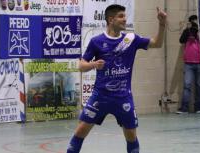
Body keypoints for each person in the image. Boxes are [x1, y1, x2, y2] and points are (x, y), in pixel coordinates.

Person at [66, 4, 167, 153]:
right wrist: (93, 64)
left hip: (123, 97)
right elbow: (81, 66)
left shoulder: (131, 39)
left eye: (125, 16)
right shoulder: (97, 41)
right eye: (121, 16)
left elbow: (157, 44)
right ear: (111, 19)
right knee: (81, 130)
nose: (125, 20)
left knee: (131, 135)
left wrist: (162, 23)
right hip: (100, 96)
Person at [177, 15, 200, 114]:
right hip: (188, 62)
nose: (195, 23)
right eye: (193, 21)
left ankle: (198, 108)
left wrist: (199, 32)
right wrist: (188, 30)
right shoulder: (187, 31)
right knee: (187, 85)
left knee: (199, 86)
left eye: (196, 21)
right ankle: (184, 108)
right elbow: (181, 40)